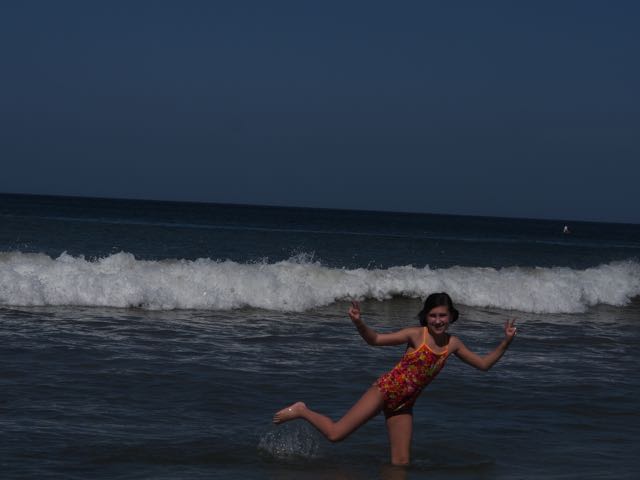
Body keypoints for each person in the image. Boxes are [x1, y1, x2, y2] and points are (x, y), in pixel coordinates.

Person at [273, 292, 517, 466]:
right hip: (384, 391)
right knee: (336, 435)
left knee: (400, 465)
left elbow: (484, 365)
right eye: (433, 315)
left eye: (443, 315)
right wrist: (359, 322)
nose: (438, 320)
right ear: (426, 316)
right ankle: (302, 410)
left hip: (404, 405)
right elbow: (376, 340)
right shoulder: (416, 335)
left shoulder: (453, 344)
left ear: (451, 316)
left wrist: (505, 342)